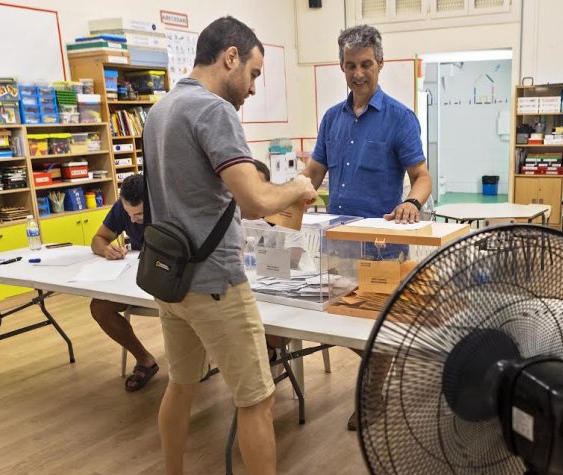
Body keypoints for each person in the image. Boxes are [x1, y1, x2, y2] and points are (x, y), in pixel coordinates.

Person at [142, 16, 317, 475]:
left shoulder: (160, 111)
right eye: (253, 73)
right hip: (215, 282)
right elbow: (255, 200)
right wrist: (298, 187)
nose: (253, 88)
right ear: (230, 57)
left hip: (171, 280)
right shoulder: (214, 111)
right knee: (257, 400)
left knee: (181, 386)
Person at [302, 25, 432, 431]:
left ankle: (372, 399)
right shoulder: (331, 119)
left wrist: (411, 203)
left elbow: (422, 176)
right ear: (341, 67)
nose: (358, 73)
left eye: (365, 64)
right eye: (350, 65)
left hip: (381, 245)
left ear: (380, 63)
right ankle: (379, 375)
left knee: (377, 327)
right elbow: (313, 174)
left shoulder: (399, 118)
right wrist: (287, 198)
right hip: (336, 242)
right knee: (335, 321)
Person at [89, 174, 157, 391]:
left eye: (140, 214)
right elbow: (98, 239)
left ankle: (194, 364)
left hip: (169, 281)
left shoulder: (167, 206)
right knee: (99, 307)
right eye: (129, 214)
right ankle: (144, 359)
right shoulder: (122, 207)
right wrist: (105, 250)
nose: (133, 219)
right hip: (136, 280)